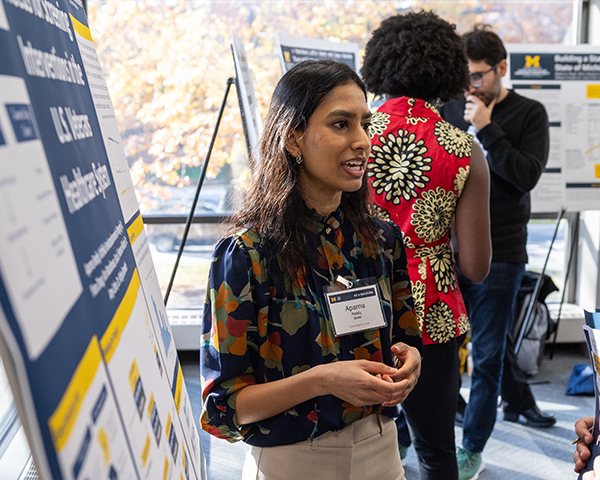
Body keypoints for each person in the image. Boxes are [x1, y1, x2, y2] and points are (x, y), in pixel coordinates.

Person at [200, 60, 423, 480]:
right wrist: (322, 380)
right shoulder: (247, 255)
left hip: (382, 451)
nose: (362, 141)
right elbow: (224, 408)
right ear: (293, 138)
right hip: (292, 462)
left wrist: (410, 362)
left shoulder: (381, 239)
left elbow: (404, 343)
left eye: (365, 123)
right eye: (341, 124)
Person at [361, 11, 491, 480]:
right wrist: (430, 246)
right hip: (431, 311)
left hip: (358, 309)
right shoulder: (463, 149)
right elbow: (476, 266)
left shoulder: (353, 137)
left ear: (378, 65)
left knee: (360, 447)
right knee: (436, 453)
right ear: (449, 72)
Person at [439, 24, 554, 480]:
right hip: (448, 251)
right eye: (464, 77)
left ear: (502, 69)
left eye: (478, 76)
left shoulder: (529, 113)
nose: (470, 86)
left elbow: (525, 176)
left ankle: (472, 449)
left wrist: (486, 131)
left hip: (503, 255)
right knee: (440, 351)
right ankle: (419, 434)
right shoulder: (449, 108)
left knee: (487, 358)